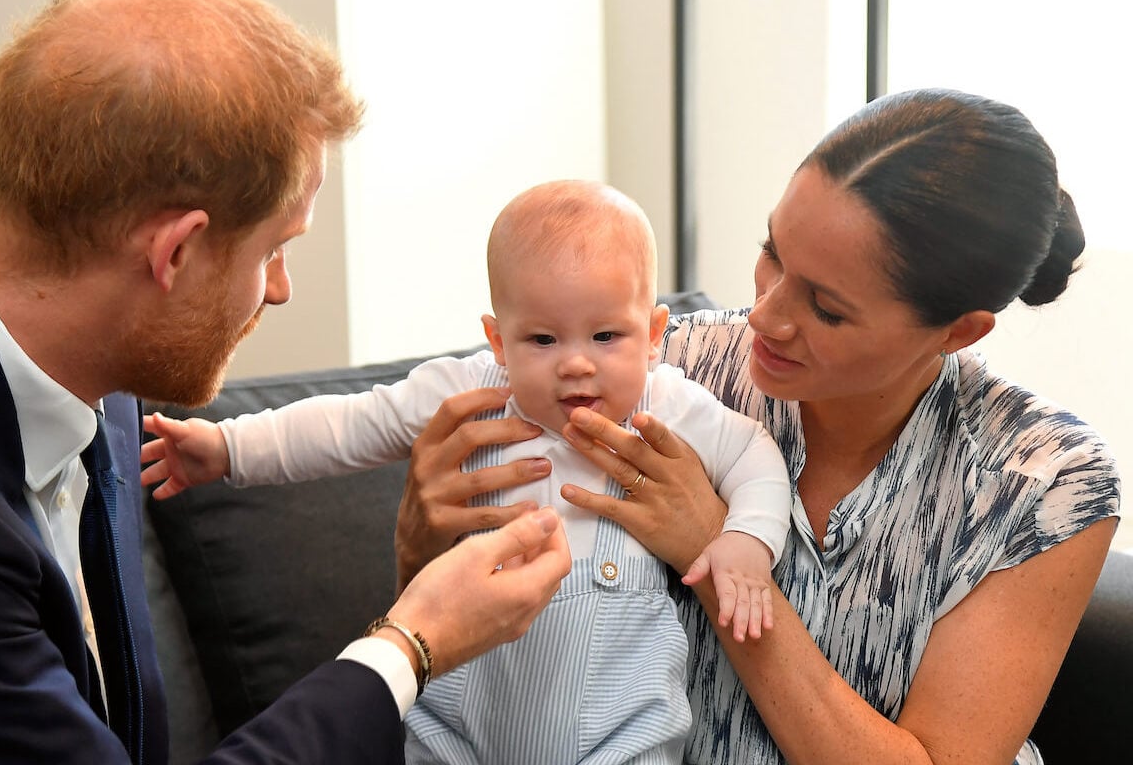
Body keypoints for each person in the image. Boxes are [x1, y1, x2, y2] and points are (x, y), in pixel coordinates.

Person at [0, 0, 571, 764]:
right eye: (274, 249)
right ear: (177, 251)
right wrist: (413, 642)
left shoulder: (107, 380)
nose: (280, 289)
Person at [394, 88, 1122, 764]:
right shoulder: (660, 371)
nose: (766, 315)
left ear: (958, 332)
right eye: (772, 251)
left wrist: (716, 553)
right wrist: (420, 542)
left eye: (826, 307)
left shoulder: (1045, 482)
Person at [140, 179, 793, 763]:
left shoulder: (668, 403)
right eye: (542, 339)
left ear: (653, 335)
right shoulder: (468, 393)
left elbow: (754, 456)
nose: (576, 364)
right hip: (461, 729)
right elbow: (349, 425)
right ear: (497, 339)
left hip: (620, 736)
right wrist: (227, 449)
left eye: (606, 337)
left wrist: (744, 543)